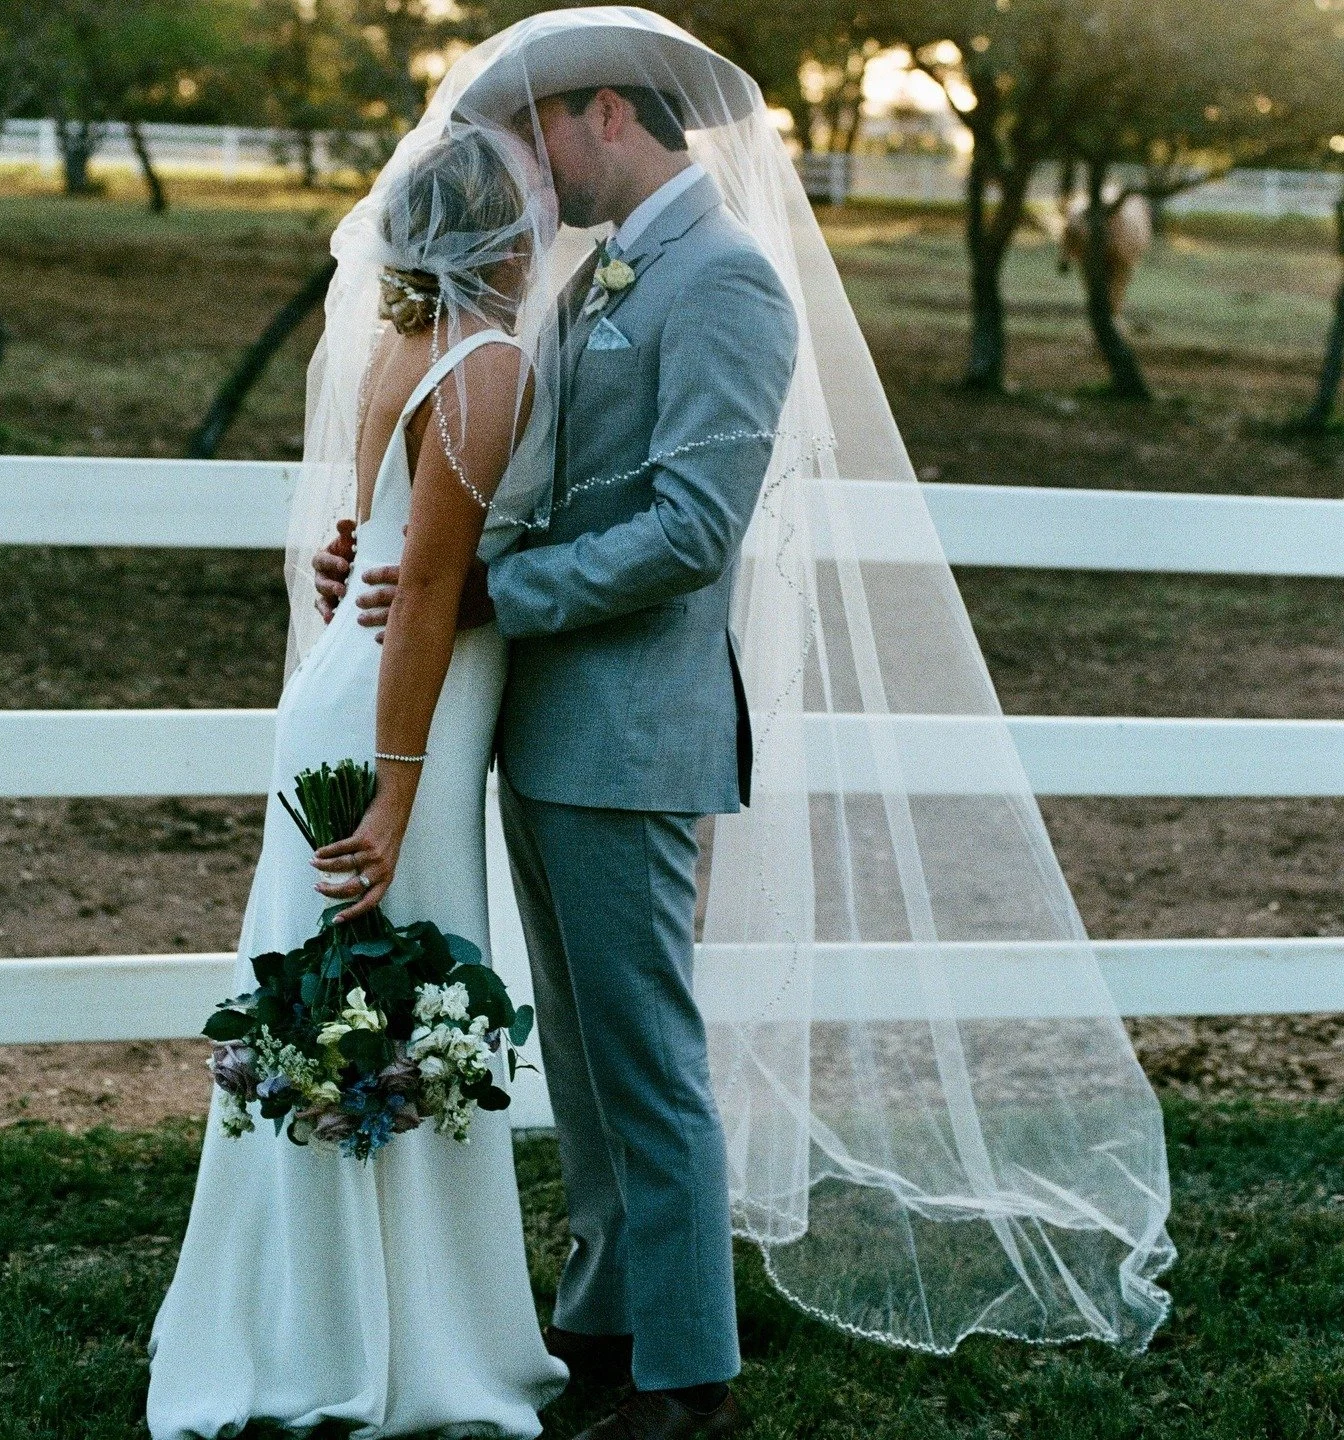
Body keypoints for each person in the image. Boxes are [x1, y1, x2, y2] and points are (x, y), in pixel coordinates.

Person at [324, 9, 1176, 1440]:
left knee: (649, 1063)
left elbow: (686, 532)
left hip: (630, 731)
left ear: (608, 114)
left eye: (538, 132)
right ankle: (604, 1320)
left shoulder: (725, 283)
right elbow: (531, 475)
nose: (526, 168)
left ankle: (687, 1378)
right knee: (588, 1065)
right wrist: (405, 546)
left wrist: (486, 591)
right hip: (547, 728)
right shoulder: (603, 274)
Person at [146, 123, 569, 1440]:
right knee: (389, 987)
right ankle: (394, 1341)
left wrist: (358, 571)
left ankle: (316, 1316)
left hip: (344, 685)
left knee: (343, 992)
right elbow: (431, 580)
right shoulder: (488, 362)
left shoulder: (396, 347)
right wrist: (394, 791)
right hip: (401, 724)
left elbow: (370, 540)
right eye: (535, 213)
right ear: (503, 235)